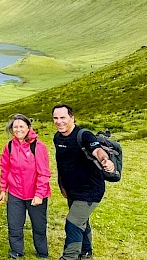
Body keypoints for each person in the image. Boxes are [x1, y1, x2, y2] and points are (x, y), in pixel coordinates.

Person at [51, 104, 114, 260]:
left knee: (72, 223)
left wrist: (105, 160)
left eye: (63, 117)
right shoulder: (57, 137)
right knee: (81, 221)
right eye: (55, 118)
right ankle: (86, 253)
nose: (59, 122)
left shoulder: (84, 135)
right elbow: (62, 163)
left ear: (72, 118)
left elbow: (97, 150)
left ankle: (69, 257)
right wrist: (62, 186)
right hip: (72, 190)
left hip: (90, 191)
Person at [0, 114, 51, 259]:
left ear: (28, 128)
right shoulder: (9, 146)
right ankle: (16, 252)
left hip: (36, 194)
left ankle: (42, 253)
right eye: (15, 127)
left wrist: (39, 194)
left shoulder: (38, 147)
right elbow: (5, 168)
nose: (18, 129)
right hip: (15, 193)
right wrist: (3, 189)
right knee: (14, 226)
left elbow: (44, 173)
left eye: (21, 126)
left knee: (39, 227)